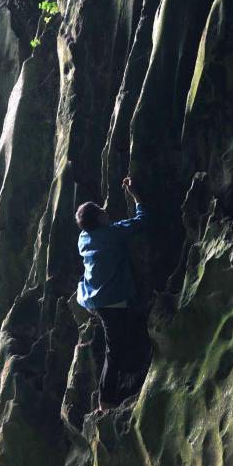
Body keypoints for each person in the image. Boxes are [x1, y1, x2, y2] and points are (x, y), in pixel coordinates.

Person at [75, 176, 147, 410]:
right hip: (112, 300)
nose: (106, 211)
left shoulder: (83, 239)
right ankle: (105, 401)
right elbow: (141, 221)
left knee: (120, 340)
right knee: (114, 351)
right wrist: (136, 196)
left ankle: (119, 389)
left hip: (93, 298)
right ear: (99, 219)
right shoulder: (112, 234)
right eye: (101, 211)